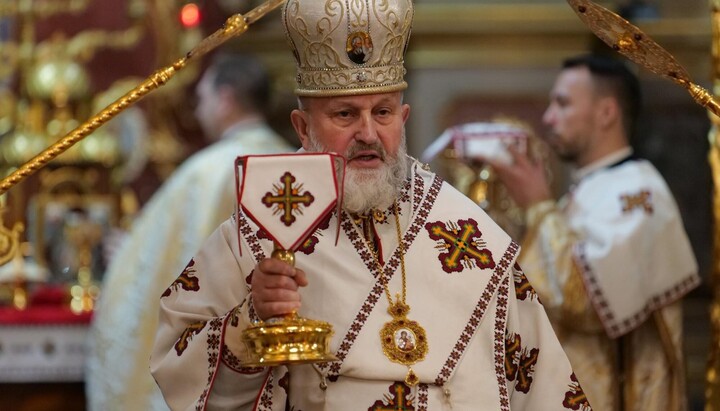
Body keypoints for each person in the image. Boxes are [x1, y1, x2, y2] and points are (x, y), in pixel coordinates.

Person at [150, 1, 590, 409]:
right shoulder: (259, 230)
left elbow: (545, 383)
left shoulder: (471, 233)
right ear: (303, 128)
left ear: (404, 119)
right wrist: (252, 320)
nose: (367, 133)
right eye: (344, 114)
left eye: (382, 113)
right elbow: (181, 367)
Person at [488, 54, 700, 410]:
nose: (548, 117)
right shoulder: (589, 190)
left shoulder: (638, 194)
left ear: (606, 113)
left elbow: (586, 303)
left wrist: (539, 205)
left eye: (563, 103)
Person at [86, 53, 295, 411]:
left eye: (202, 99)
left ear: (225, 100)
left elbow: (168, 273)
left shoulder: (207, 173)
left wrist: (128, 258)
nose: (198, 112)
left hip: (225, 358)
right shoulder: (296, 162)